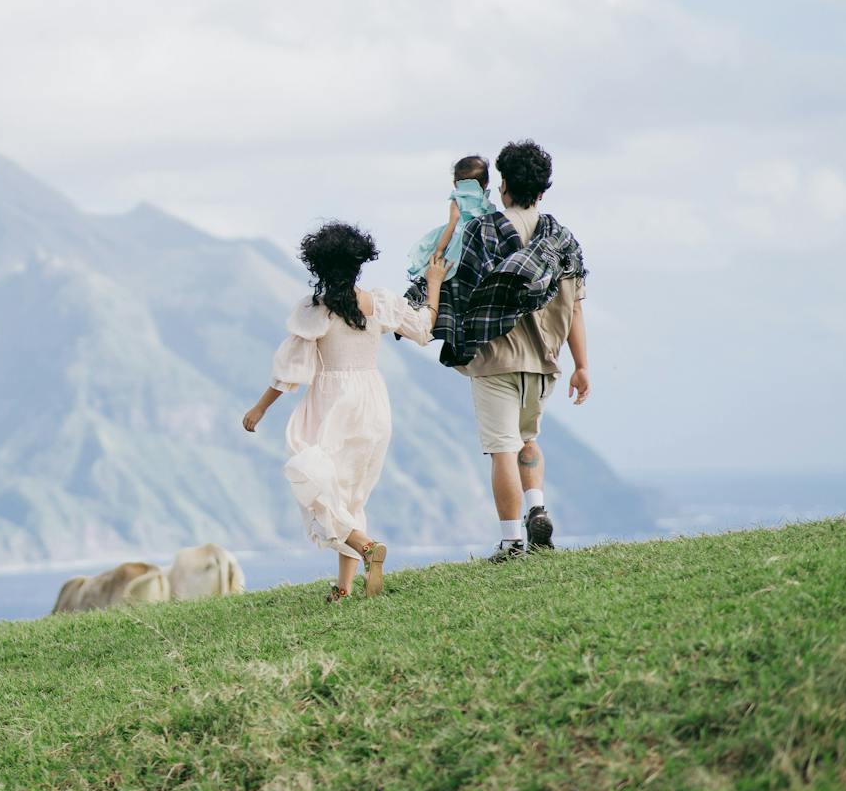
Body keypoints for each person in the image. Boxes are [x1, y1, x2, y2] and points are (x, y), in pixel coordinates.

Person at [241, 222, 445, 602]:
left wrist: (259, 408)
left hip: (332, 402)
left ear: (317, 267)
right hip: (373, 402)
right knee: (350, 496)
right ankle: (344, 586)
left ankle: (367, 547)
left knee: (316, 485)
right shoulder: (379, 302)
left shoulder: (316, 311)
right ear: (358, 263)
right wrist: (434, 282)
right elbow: (422, 328)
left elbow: (291, 372)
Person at [427, 140, 589, 562]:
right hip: (545, 363)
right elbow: (574, 308)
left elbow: (449, 277)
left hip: (496, 358)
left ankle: (512, 540)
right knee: (528, 439)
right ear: (543, 189)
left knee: (502, 448)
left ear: (503, 186)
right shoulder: (562, 239)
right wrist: (582, 366)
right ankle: (537, 504)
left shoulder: (484, 232)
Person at [406, 155, 495, 280]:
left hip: (458, 241)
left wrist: (439, 250)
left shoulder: (458, 200)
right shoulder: (484, 201)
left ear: (455, 183)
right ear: (486, 183)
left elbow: (453, 224)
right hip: (480, 240)